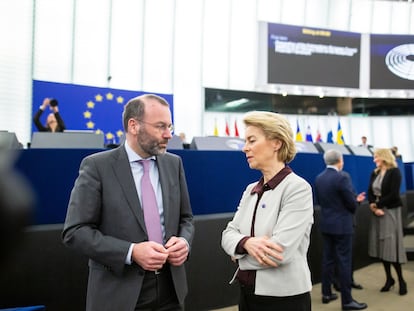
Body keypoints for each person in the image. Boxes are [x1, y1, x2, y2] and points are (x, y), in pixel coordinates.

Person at [62, 94, 195, 311]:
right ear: (133, 126)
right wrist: (131, 252)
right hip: (119, 294)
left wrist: (185, 242)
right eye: (160, 126)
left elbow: (186, 218)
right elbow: (75, 231)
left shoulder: (174, 164)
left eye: (170, 126)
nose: (168, 134)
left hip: (171, 290)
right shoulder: (97, 167)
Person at [221, 111, 314, 311]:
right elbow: (227, 234)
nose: (245, 148)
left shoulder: (298, 188)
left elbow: (278, 253)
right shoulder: (250, 190)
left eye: (251, 140)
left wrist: (237, 251)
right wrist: (246, 243)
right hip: (247, 294)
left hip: (285, 300)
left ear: (276, 143)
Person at [314, 149, 367, 310]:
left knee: (328, 260)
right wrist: (356, 201)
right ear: (340, 160)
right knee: (344, 262)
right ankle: (347, 301)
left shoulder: (319, 178)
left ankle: (326, 293)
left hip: (326, 225)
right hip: (343, 227)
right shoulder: (342, 177)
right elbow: (350, 204)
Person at [367, 148, 407, 296]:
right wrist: (373, 205)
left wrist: (377, 205)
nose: (374, 159)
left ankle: (401, 280)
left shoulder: (395, 172)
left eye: (376, 157)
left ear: (383, 157)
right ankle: (389, 279)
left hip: (390, 211)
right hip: (377, 212)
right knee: (381, 246)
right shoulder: (375, 173)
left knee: (391, 246)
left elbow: (393, 194)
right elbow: (370, 192)